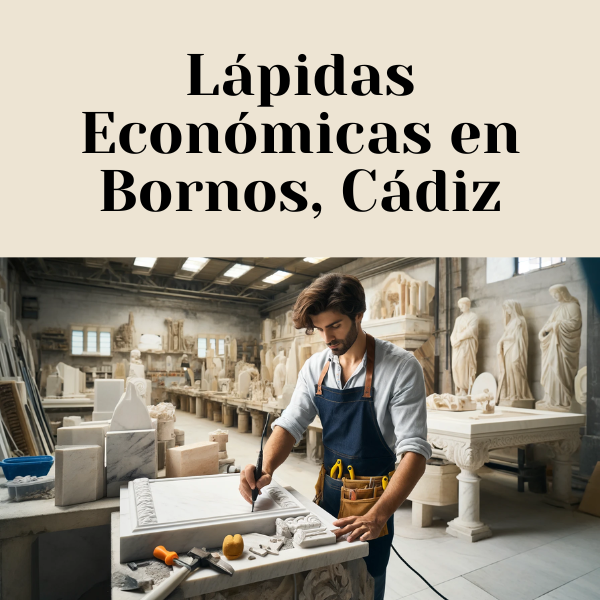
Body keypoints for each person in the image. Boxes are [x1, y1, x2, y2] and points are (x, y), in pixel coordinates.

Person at [239, 274, 431, 600]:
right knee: (324, 586)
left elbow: (414, 451)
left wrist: (378, 515)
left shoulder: (400, 367)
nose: (327, 337)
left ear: (359, 315)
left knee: (365, 587)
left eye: (336, 325)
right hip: (327, 497)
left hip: (373, 503)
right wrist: (267, 467)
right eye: (320, 328)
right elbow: (290, 423)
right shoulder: (316, 367)